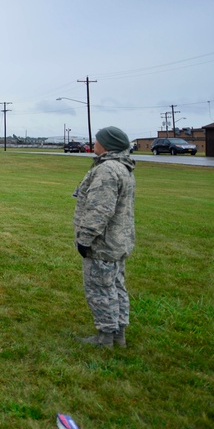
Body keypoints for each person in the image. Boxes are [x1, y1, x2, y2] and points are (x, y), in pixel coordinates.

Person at [73, 126, 135, 348]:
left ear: (107, 144)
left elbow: (100, 209)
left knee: (100, 289)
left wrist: (85, 238)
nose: (94, 143)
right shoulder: (122, 167)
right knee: (116, 287)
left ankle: (105, 337)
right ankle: (119, 335)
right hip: (118, 240)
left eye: (98, 140)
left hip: (103, 243)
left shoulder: (108, 169)